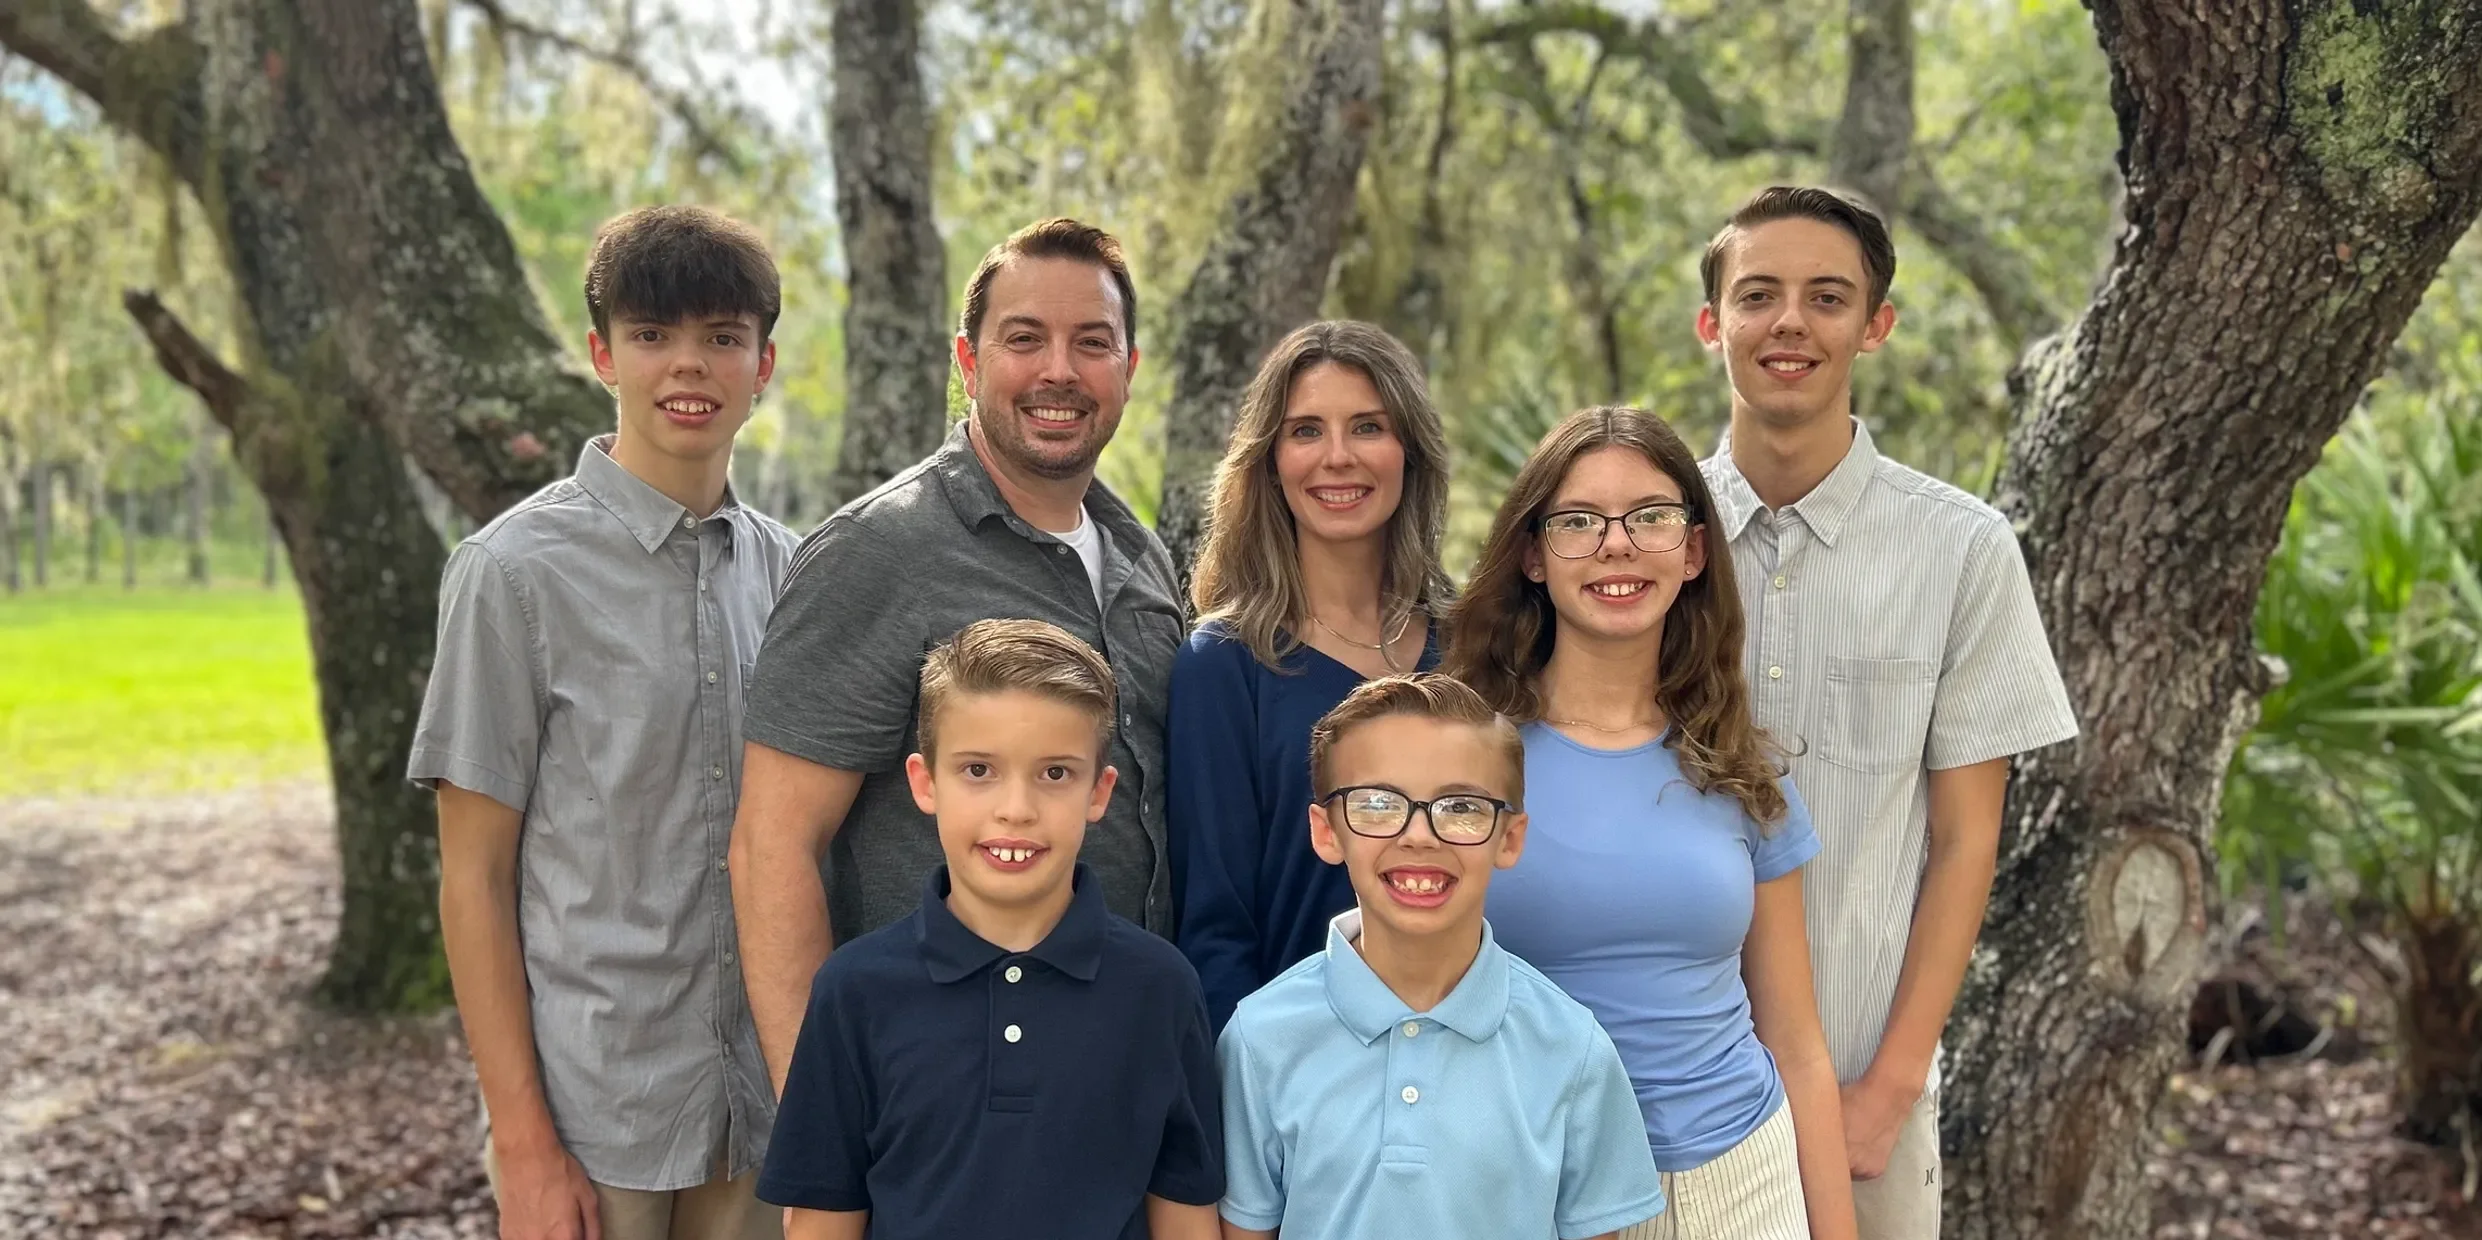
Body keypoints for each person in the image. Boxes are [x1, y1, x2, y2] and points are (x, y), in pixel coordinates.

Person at [1691, 185, 2077, 1239]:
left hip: (1865, 1090)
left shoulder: (1962, 550)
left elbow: (1965, 840)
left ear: (1876, 325)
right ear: (1712, 323)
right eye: (1758, 295)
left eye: (1827, 297)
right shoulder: (1639, 541)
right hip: (1654, 1083)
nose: (1790, 322)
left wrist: (1891, 1088)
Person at [729, 218, 1187, 1096]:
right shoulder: (880, 550)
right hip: (935, 1084)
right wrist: (816, 1113)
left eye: (1092, 343)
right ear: (968, 364)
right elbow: (772, 848)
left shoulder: (1142, 558)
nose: (1059, 370)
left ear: (1128, 369)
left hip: (1122, 1069)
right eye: (1025, 339)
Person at [410, 205, 798, 1240]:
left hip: (763, 1116)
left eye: (722, 336)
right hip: (597, 1120)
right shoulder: (510, 575)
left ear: (762, 364)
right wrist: (524, 1146)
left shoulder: (790, 572)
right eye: (652, 334)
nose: (689, 365)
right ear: (602, 355)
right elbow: (474, 879)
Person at [1443, 406, 1856, 1240]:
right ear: (1532, 555)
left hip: (1742, 1182)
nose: (1617, 545)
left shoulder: (1741, 766)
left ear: (1694, 551)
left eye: (1650, 516)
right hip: (1537, 1187)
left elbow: (1796, 1041)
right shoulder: (1464, 762)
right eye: (1578, 521)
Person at [755, 619, 1223, 1240]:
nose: (1016, 810)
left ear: (1099, 791)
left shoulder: (1160, 988)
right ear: (925, 782)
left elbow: (1185, 1215)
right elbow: (822, 1223)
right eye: (978, 770)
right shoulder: (854, 991)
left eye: (1054, 774)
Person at [1216, 673, 1667, 1240]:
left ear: (1510, 838)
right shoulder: (1259, 1038)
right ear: (1327, 832)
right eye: (1378, 803)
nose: (1420, 836)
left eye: (1461, 806)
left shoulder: (1573, 1048)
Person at [1169, 319, 1456, 1031]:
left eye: (1368, 427)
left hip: (1468, 1052)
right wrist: (1252, 1078)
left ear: (1410, 451)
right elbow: (1214, 926)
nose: (1337, 457)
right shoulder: (1224, 665)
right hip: (1299, 1061)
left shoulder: (1472, 649)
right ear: (1270, 462)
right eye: (1305, 431)